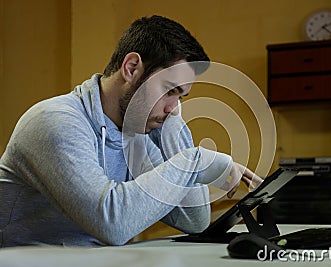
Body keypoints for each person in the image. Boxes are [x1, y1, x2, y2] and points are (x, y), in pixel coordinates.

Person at [0, 15, 262, 247]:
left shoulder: (136, 135)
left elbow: (193, 219)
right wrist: (196, 162)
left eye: (181, 97)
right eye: (170, 90)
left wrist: (173, 131)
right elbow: (111, 224)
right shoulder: (55, 122)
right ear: (131, 68)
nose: (173, 107)